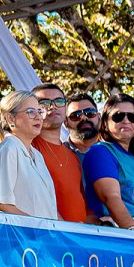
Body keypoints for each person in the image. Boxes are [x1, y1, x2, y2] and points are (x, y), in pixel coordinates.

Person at [81, 95, 134, 232]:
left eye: (133, 117)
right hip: (119, 234)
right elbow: (111, 197)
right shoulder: (100, 152)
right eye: (118, 116)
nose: (126, 121)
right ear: (105, 123)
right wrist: (133, 230)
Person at [0, 91, 59, 219]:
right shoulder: (7, 149)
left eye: (39, 111)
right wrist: (36, 226)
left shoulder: (37, 155)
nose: (38, 117)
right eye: (31, 112)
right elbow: (0, 203)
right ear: (11, 118)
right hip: (23, 231)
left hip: (43, 232)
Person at [31, 83, 91, 223]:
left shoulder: (73, 156)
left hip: (78, 234)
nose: (53, 107)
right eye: (44, 103)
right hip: (49, 233)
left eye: (59, 101)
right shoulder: (28, 147)